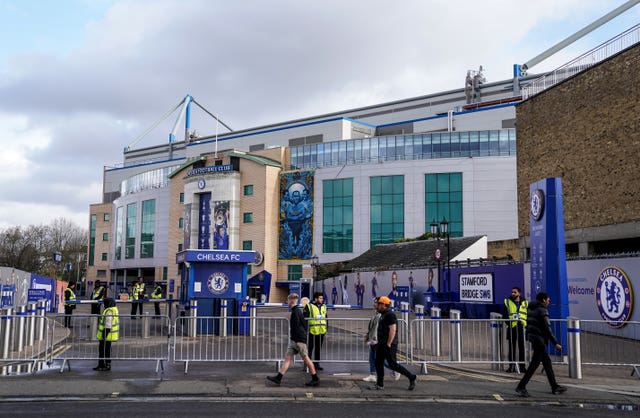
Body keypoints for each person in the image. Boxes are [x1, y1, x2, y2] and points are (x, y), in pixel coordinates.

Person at [515, 292, 567, 397]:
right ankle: (521, 386)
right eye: (548, 299)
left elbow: (529, 324)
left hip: (534, 339)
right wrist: (555, 343)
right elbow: (547, 329)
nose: (549, 301)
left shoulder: (531, 308)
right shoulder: (542, 310)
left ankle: (554, 386)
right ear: (543, 300)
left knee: (547, 363)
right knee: (534, 365)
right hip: (539, 340)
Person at [267, 293, 320, 387]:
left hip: (298, 340)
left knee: (306, 359)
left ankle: (315, 378)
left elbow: (296, 327)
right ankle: (278, 378)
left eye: (287, 301)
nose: (286, 302)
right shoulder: (298, 311)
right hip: (296, 340)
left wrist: (296, 340)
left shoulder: (295, 312)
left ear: (290, 301)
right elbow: (304, 325)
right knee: (288, 358)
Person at [372, 296, 417, 391]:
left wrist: (389, 343)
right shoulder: (383, 314)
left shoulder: (390, 315)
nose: (377, 305)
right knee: (378, 362)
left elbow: (393, 330)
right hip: (381, 343)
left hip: (389, 344)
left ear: (383, 304)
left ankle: (411, 377)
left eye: (379, 304)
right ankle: (379, 384)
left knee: (393, 364)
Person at [363, 297, 400, 382]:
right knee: (372, 358)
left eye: (376, 303)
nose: (374, 304)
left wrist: (374, 340)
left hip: (377, 340)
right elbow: (372, 327)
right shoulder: (376, 313)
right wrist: (368, 336)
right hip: (373, 339)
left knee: (380, 360)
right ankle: (372, 374)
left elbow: (378, 329)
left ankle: (396, 369)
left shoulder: (381, 315)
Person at [503, 287, 527, 373]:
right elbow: (505, 316)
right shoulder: (507, 302)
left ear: (519, 293)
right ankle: (511, 367)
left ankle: (522, 367)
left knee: (522, 348)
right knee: (512, 348)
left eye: (515, 292)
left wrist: (525, 324)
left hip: (521, 327)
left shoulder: (525, 302)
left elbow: (527, 314)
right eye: (512, 292)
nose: (513, 294)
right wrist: (509, 324)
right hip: (511, 327)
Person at [94, 298, 119, 371]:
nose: (103, 305)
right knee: (105, 350)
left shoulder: (109, 311)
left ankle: (104, 365)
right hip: (109, 335)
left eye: (104, 303)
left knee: (104, 350)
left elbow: (108, 325)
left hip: (106, 334)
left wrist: (104, 335)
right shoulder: (114, 310)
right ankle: (102, 364)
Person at [304, 292, 327, 371]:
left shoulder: (324, 306)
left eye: (322, 298)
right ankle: (307, 364)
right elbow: (305, 319)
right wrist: (305, 330)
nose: (322, 300)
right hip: (312, 330)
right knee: (310, 348)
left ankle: (316, 364)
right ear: (316, 299)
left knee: (318, 348)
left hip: (321, 331)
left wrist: (326, 328)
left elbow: (326, 317)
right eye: (320, 298)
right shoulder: (309, 306)